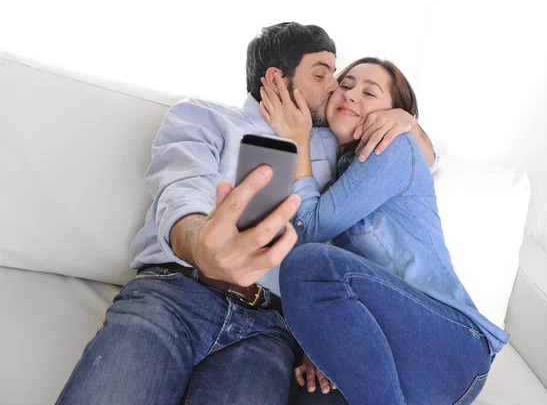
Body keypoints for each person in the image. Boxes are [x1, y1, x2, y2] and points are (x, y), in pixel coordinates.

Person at [56, 23, 435, 404]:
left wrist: (408, 124)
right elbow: (181, 189)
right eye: (322, 75)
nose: (336, 88)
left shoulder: (335, 144)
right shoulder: (202, 117)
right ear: (276, 79)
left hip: (268, 327)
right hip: (173, 294)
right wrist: (202, 243)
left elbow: (419, 168)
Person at [259, 57, 510, 404]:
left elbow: (312, 229)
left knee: (305, 264)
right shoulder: (341, 177)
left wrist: (297, 139)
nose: (350, 96)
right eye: (344, 86)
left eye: (369, 92)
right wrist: (319, 343)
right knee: (309, 394)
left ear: (393, 115)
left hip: (450, 348)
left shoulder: (394, 146)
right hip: (393, 361)